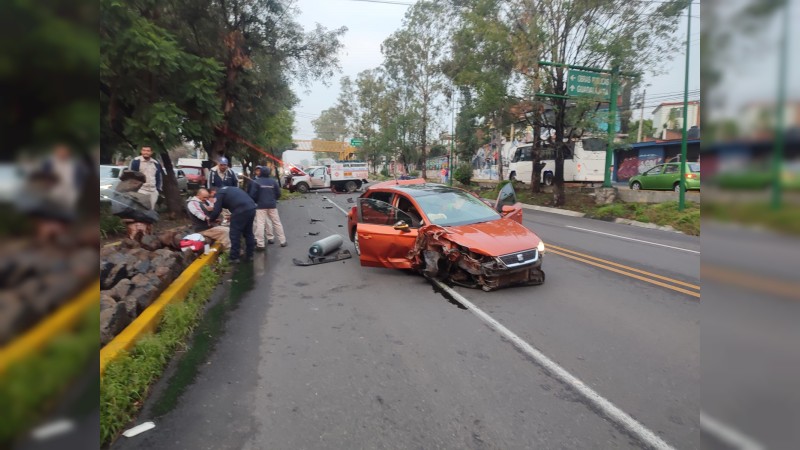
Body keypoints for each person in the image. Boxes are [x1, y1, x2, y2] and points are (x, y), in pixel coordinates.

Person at [207, 186, 256, 263]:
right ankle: (250, 255)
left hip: (241, 210)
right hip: (251, 207)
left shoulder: (218, 194)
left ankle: (234, 257)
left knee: (234, 233)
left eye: (209, 196)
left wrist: (210, 220)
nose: (210, 199)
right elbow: (236, 202)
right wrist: (234, 215)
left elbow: (217, 210)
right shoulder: (228, 189)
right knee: (248, 232)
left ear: (213, 192)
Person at [249, 166, 287, 248]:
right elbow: (278, 194)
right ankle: (283, 241)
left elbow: (252, 195)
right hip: (272, 206)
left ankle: (260, 244)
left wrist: (257, 201)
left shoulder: (256, 182)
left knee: (260, 224)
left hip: (261, 206)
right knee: (277, 223)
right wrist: (273, 199)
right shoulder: (273, 182)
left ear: (261, 172)